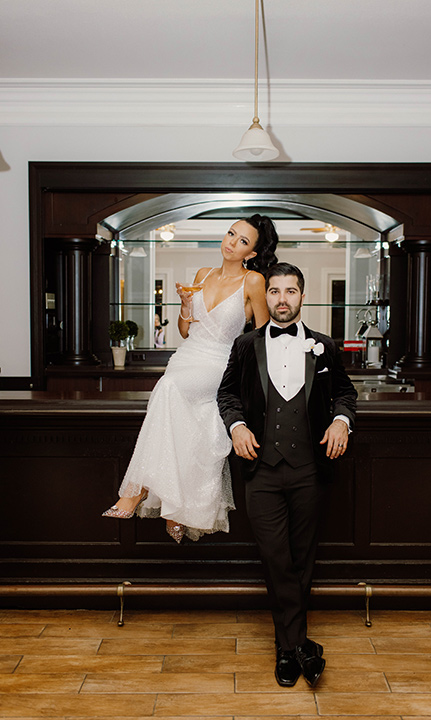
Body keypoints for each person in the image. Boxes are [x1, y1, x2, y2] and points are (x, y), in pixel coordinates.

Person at [217, 262, 357, 689]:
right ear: (267, 296)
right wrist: (237, 426)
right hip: (260, 469)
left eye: (289, 291)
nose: (281, 299)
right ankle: (300, 648)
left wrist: (341, 421)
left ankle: (287, 648)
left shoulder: (324, 346)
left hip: (310, 469)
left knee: (302, 558)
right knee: (276, 556)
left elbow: (345, 393)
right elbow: (226, 394)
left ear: (301, 295)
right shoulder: (245, 345)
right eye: (274, 291)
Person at [102, 215, 279, 543]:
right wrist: (185, 306)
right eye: (230, 233)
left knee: (166, 389)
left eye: (242, 241)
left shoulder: (253, 281)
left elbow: (262, 336)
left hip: (219, 362)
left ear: (251, 253)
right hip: (186, 357)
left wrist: (245, 378)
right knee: (172, 403)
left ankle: (138, 490)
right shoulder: (202, 274)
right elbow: (185, 331)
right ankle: (175, 507)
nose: (231, 242)